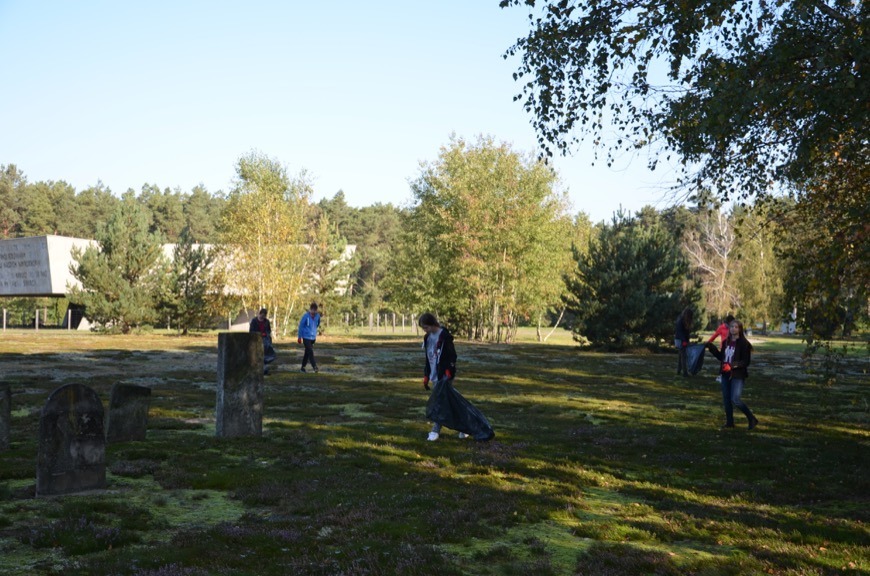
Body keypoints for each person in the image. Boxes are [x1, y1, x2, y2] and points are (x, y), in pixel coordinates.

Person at [419, 312, 494, 442]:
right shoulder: (427, 338)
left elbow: (452, 356)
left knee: (439, 403)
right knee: (451, 402)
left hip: (444, 375)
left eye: (426, 327)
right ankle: (463, 428)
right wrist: (426, 375)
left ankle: (435, 431)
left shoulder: (444, 337)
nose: (425, 330)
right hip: (433, 374)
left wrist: (449, 371)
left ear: (432, 324)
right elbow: (428, 357)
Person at [706, 319, 759, 430]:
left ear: (740, 329)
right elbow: (722, 357)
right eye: (731, 327)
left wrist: (732, 365)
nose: (733, 328)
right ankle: (730, 423)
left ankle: (751, 418)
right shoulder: (726, 341)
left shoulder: (744, 344)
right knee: (726, 399)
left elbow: (745, 362)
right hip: (725, 374)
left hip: (737, 375)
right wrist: (712, 348)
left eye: (736, 327)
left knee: (735, 399)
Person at [707, 314, 735, 383]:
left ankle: (728, 375)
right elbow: (715, 335)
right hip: (724, 347)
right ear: (728, 322)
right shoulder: (721, 328)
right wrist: (708, 342)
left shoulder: (733, 328)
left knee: (728, 361)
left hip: (731, 347)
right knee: (723, 360)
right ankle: (721, 375)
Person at [249, 308, 275, 375]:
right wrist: (258, 334)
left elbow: (269, 330)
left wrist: (266, 334)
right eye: (262, 315)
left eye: (264, 316)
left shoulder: (266, 322)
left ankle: (265, 368)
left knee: (267, 353)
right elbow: (251, 330)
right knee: (257, 354)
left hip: (265, 339)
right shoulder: (254, 321)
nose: (262, 317)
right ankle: (258, 369)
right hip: (256, 339)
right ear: (259, 314)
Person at [297, 302, 321, 373]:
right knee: (310, 352)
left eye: (315, 310)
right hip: (306, 337)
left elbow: (318, 323)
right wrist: (299, 337)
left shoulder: (317, 316)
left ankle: (302, 367)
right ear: (310, 309)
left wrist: (314, 330)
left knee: (307, 353)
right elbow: (301, 326)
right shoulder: (305, 316)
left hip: (313, 338)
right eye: (312, 310)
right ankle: (315, 367)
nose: (313, 312)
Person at [674, 307, 693, 376]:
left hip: (681, 339)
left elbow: (686, 333)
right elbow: (680, 332)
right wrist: (684, 340)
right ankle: (684, 372)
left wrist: (687, 340)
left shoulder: (682, 320)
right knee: (683, 356)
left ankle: (679, 370)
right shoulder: (681, 321)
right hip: (680, 340)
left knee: (681, 356)